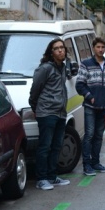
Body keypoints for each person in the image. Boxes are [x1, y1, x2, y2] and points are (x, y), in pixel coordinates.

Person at [29, 38, 71, 190]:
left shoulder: (63, 67)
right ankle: (41, 179)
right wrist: (36, 107)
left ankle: (52, 176)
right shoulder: (45, 68)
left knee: (56, 146)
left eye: (62, 48)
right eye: (56, 48)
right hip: (47, 112)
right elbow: (35, 90)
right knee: (45, 146)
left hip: (60, 113)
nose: (60, 50)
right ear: (51, 52)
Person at [75, 37, 105, 176]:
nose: (100, 49)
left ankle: (96, 162)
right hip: (90, 106)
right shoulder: (86, 64)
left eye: (103, 47)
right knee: (89, 135)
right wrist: (89, 96)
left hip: (104, 106)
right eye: (98, 47)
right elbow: (79, 84)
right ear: (93, 48)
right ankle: (86, 165)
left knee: (99, 135)